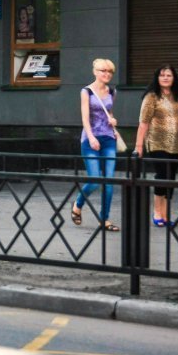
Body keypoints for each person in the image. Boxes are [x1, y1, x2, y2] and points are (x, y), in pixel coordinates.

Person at [134, 65, 178, 227]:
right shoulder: (151, 97)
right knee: (163, 175)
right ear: (157, 78)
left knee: (170, 178)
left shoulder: (176, 96)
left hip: (175, 143)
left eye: (169, 75)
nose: (165, 78)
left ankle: (165, 215)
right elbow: (143, 122)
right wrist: (139, 146)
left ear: (174, 78)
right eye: (162, 75)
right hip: (157, 142)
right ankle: (157, 212)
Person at [71, 59, 120, 232]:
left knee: (109, 181)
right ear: (95, 72)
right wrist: (91, 138)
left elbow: (109, 111)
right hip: (90, 139)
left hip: (108, 139)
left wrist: (113, 121)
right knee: (94, 179)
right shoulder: (86, 92)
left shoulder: (112, 91)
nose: (107, 74)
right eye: (103, 70)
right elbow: (85, 118)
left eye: (109, 71)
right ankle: (78, 204)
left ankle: (104, 219)